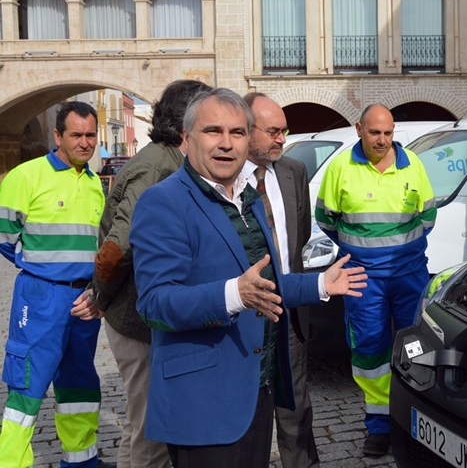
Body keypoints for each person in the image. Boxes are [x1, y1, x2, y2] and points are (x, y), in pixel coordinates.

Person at [128, 88, 368, 468]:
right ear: (187, 139)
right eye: (213, 131)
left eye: (237, 133)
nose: (226, 144)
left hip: (257, 387)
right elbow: (156, 305)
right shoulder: (163, 202)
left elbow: (263, 284)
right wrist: (233, 294)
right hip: (204, 402)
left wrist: (319, 285)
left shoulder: (248, 197)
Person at [91, 79, 212, 468]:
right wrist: (100, 297)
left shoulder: (168, 160)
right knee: (152, 430)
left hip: (140, 316)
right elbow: (114, 250)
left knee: (139, 423)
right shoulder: (158, 168)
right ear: (186, 126)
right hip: (136, 319)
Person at [315, 104, 436, 457]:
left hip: (409, 274)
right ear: (359, 130)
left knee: (417, 345)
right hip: (362, 277)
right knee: (369, 347)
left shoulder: (412, 163)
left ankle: (418, 420)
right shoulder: (340, 167)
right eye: (374, 133)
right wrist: (363, 251)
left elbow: (428, 215)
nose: (382, 140)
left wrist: (402, 251)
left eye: (387, 133)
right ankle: (379, 425)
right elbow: (326, 219)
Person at [0, 101, 115, 468]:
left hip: (86, 298)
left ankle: (82, 461)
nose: (85, 143)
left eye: (90, 135)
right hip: (41, 295)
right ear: (58, 135)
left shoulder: (97, 182)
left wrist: (95, 290)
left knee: (79, 382)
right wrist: (44, 269)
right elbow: (5, 239)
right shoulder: (25, 176)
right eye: (76, 135)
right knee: (27, 385)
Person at [242, 92, 319, 468]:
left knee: (296, 410)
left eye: (284, 132)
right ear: (246, 128)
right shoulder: (223, 176)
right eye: (273, 131)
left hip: (289, 315)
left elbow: (297, 241)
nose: (281, 139)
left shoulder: (293, 172)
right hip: (241, 317)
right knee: (247, 413)